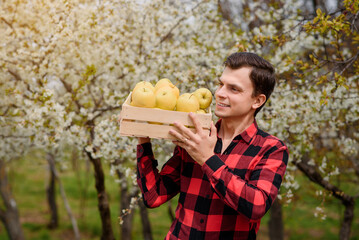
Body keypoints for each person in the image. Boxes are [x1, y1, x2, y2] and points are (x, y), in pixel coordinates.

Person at [136, 52, 289, 240]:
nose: (219, 93)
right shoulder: (196, 137)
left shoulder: (271, 149)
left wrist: (207, 159)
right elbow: (154, 196)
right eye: (220, 84)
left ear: (257, 100)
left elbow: (256, 206)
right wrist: (143, 136)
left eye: (234, 89)